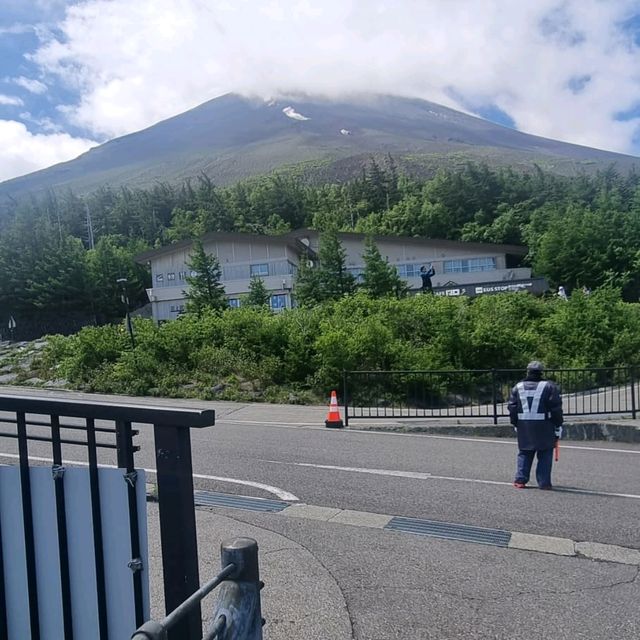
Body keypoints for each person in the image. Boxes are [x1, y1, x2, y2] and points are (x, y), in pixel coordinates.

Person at [507, 361, 563, 490]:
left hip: (524, 425)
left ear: (528, 372)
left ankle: (520, 480)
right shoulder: (549, 386)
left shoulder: (518, 387)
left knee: (525, 452)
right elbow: (556, 408)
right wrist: (558, 424)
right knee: (545, 452)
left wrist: (515, 423)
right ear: (541, 372)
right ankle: (544, 482)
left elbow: (512, 407)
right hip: (544, 424)